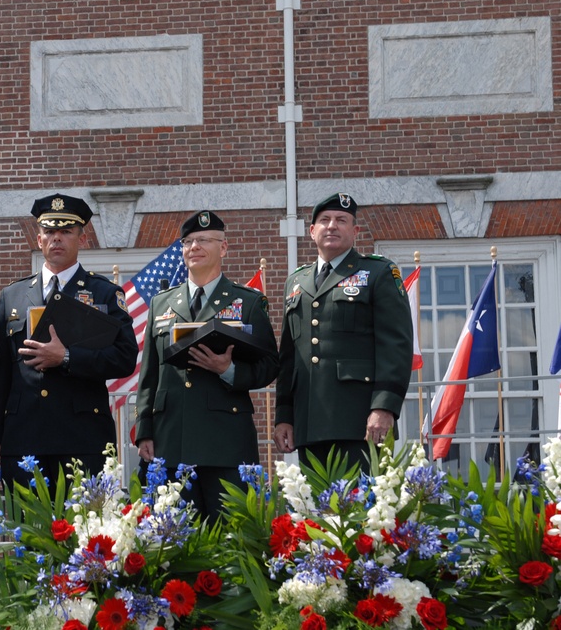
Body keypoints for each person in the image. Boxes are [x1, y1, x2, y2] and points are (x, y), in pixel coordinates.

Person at [0, 193, 137, 491]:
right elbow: (0, 371)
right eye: (50, 232)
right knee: (28, 531)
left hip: (81, 436)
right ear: (39, 239)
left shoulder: (104, 293)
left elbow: (125, 357)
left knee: (84, 533)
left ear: (81, 238)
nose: (57, 239)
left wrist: (67, 357)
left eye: (66, 232)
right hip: (23, 436)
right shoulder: (11, 296)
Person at [133, 211, 280, 520]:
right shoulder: (163, 303)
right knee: (175, 540)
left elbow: (269, 364)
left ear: (223, 248)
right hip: (171, 440)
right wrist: (144, 430)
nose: (194, 248)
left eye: (203, 240)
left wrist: (228, 370)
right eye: (188, 242)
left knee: (230, 538)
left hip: (224, 442)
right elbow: (150, 373)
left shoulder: (248, 302)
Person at [273, 192, 413, 468]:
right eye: (324, 220)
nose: (332, 226)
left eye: (341, 220)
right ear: (312, 231)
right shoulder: (296, 282)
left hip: (360, 423)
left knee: (364, 510)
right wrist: (284, 415)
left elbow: (395, 345)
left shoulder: (378, 273)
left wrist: (384, 407)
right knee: (315, 511)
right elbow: (289, 358)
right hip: (309, 425)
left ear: (355, 230)